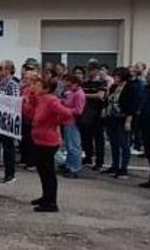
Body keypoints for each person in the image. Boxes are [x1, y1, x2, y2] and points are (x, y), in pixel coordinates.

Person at [28, 76, 74, 213]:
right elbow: (32, 115)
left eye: (37, 85)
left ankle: (51, 202)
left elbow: (67, 113)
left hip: (48, 141)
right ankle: (46, 197)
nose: (34, 87)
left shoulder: (52, 100)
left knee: (48, 172)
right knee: (42, 170)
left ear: (46, 88)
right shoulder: (41, 99)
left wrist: (55, 123)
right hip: (39, 139)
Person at [103, 67, 140, 179]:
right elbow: (108, 100)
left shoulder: (130, 87)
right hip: (112, 118)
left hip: (123, 118)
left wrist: (129, 121)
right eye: (115, 75)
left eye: (118, 75)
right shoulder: (114, 87)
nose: (115, 77)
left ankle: (123, 168)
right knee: (113, 143)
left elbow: (132, 106)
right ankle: (114, 166)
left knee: (124, 144)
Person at [79, 61, 108, 170]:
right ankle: (88, 157)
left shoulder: (102, 82)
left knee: (98, 138)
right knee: (86, 137)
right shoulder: (84, 83)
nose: (89, 72)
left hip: (97, 112)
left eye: (92, 69)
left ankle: (99, 161)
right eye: (88, 69)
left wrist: (84, 95)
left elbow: (100, 96)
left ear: (97, 70)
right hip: (86, 111)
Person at [59, 74, 86, 178]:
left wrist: (65, 109)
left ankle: (75, 168)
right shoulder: (70, 92)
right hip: (67, 121)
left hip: (73, 122)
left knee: (74, 146)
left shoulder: (79, 94)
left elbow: (78, 110)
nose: (66, 85)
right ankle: (69, 165)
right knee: (69, 146)